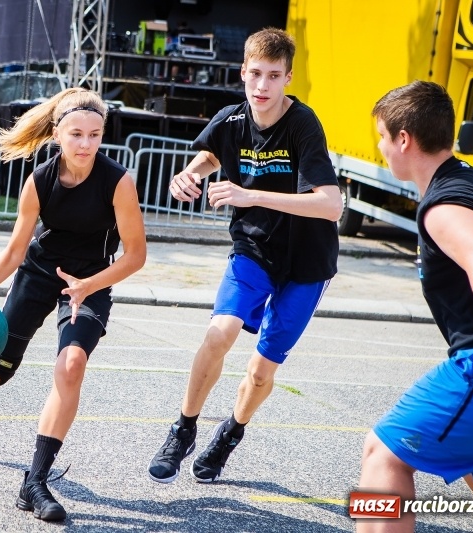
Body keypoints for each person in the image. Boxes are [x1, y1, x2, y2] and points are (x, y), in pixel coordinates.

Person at [147, 27, 342, 484]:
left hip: (308, 263)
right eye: (255, 74)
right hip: (254, 249)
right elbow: (210, 156)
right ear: (242, 72)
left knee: (259, 371)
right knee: (220, 333)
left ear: (288, 78)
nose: (262, 87)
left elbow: (331, 205)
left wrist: (251, 196)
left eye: (274, 76)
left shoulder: (303, 124)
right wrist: (186, 175)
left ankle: (230, 433)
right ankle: (183, 429)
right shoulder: (232, 120)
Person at [0, 87, 146, 521]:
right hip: (38, 275)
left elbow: (135, 256)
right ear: (57, 134)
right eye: (76, 134)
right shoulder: (40, 181)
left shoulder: (118, 182)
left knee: (71, 365)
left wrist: (88, 285)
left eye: (95, 135)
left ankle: (34, 482)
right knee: (1, 367)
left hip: (90, 282)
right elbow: (15, 251)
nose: (86, 144)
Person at [355, 81, 473, 532]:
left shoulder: (443, 206)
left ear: (404, 139)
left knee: (383, 453)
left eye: (382, 137)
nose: (381, 147)